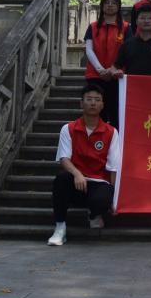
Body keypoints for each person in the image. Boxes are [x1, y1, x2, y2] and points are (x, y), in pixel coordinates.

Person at [48, 85, 121, 245]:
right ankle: (60, 227)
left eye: (97, 100)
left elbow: (113, 167)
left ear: (102, 104)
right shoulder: (68, 128)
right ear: (81, 103)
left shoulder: (111, 132)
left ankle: (94, 214)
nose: (93, 103)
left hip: (99, 182)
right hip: (77, 182)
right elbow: (64, 158)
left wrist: (114, 200)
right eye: (89, 99)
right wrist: (77, 174)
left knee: (103, 198)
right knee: (61, 180)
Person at [83, 0, 129, 127]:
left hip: (117, 76)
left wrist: (113, 69)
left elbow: (127, 51)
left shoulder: (126, 27)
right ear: (102, 6)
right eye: (107, 2)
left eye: (113, 3)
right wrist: (100, 70)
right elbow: (89, 49)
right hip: (95, 76)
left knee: (116, 113)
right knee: (96, 112)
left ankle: (115, 139)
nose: (110, 5)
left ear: (119, 6)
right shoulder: (93, 27)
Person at [113, 4, 151, 77]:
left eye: (150, 18)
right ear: (136, 21)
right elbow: (115, 67)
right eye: (142, 18)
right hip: (132, 84)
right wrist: (115, 72)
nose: (146, 21)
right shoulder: (126, 45)